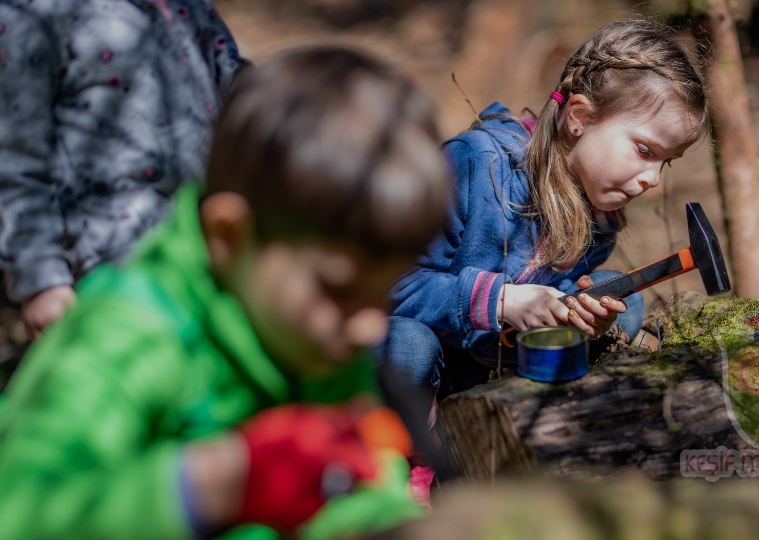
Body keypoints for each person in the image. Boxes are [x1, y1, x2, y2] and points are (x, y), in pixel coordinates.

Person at [0, 47, 450, 539]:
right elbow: (21, 513)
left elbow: (355, 484)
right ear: (229, 237)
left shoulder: (321, 337)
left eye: (383, 293)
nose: (371, 325)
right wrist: (215, 483)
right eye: (338, 287)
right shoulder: (128, 338)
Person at [382, 20, 709, 396]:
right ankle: (404, 441)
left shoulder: (599, 221)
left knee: (621, 298)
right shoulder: (474, 164)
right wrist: (500, 300)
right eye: (644, 151)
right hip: (414, 362)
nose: (653, 179)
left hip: (487, 365)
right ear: (579, 118)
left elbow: (532, 319)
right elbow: (389, 285)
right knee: (406, 345)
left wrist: (576, 318)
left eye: (665, 162)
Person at [0, 0, 245, 338]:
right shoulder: (31, 14)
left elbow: (237, 84)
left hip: (194, 241)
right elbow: (14, 160)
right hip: (105, 260)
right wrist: (40, 278)